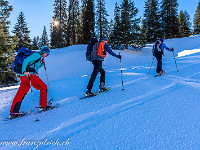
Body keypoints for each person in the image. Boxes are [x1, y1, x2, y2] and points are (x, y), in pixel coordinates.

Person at [10, 46, 50, 118]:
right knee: (44, 87)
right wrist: (25, 71)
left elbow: (35, 68)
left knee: (21, 93)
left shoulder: (38, 57)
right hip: (30, 75)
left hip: (24, 76)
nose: (47, 56)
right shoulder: (37, 55)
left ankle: (14, 112)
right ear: (44, 52)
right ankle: (43, 106)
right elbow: (26, 61)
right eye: (47, 54)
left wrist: (41, 64)